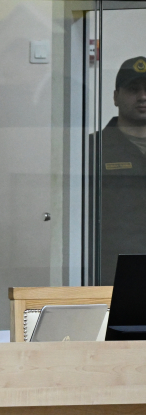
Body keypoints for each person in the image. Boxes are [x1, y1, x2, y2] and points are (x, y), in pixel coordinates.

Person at [99, 56, 146, 285]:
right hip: (114, 273)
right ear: (116, 96)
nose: (143, 96)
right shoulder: (93, 150)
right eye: (133, 89)